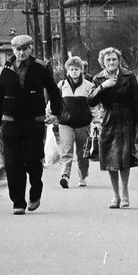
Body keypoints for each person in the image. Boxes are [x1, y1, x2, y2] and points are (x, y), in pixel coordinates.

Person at [0, 34, 63, 215]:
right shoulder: (6, 69)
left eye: (24, 49)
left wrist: (56, 113)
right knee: (13, 164)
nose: (21, 53)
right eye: (17, 49)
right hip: (10, 123)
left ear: (31, 49)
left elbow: (54, 92)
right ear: (13, 50)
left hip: (34, 123)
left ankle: (35, 193)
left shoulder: (40, 67)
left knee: (33, 161)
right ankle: (18, 202)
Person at [87, 46, 138, 208]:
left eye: (114, 59)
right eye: (108, 60)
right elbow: (91, 101)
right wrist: (103, 86)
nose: (111, 62)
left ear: (119, 61)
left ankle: (125, 193)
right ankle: (115, 196)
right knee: (110, 159)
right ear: (102, 63)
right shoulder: (98, 79)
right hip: (108, 122)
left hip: (127, 121)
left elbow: (137, 100)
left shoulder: (128, 76)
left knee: (125, 158)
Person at [54, 55, 97, 188]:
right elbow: (54, 103)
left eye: (77, 69)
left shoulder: (89, 86)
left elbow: (93, 106)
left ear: (81, 70)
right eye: (71, 69)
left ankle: (83, 176)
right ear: (67, 71)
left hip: (83, 124)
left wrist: (97, 121)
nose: (74, 71)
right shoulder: (62, 85)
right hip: (65, 124)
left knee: (82, 152)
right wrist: (51, 116)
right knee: (66, 151)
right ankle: (65, 176)